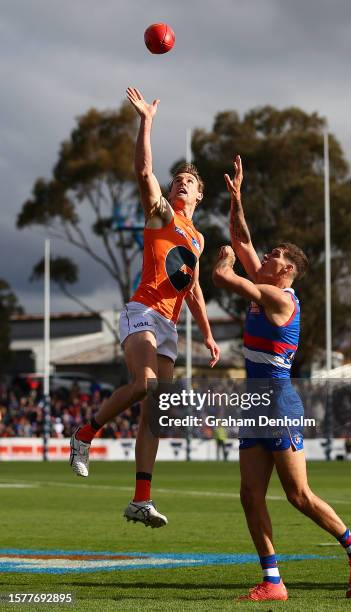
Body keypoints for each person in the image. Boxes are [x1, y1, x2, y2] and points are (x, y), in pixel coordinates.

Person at [212, 155, 351, 601]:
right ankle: (273, 581)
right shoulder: (268, 284)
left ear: (286, 270)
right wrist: (237, 199)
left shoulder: (279, 298)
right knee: (250, 495)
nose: (264, 256)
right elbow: (242, 237)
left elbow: (224, 275)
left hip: (279, 404)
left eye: (273, 256)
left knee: (299, 496)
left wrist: (224, 261)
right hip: (254, 406)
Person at [70, 87, 220, 528]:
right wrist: (146, 122)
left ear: (198, 197)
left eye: (188, 182)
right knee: (145, 385)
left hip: (170, 325)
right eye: (177, 180)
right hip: (142, 313)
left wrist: (208, 333)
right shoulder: (162, 216)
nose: (180, 183)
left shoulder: (197, 238)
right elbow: (144, 171)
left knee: (157, 412)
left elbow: (191, 289)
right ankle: (84, 434)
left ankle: (140, 499)